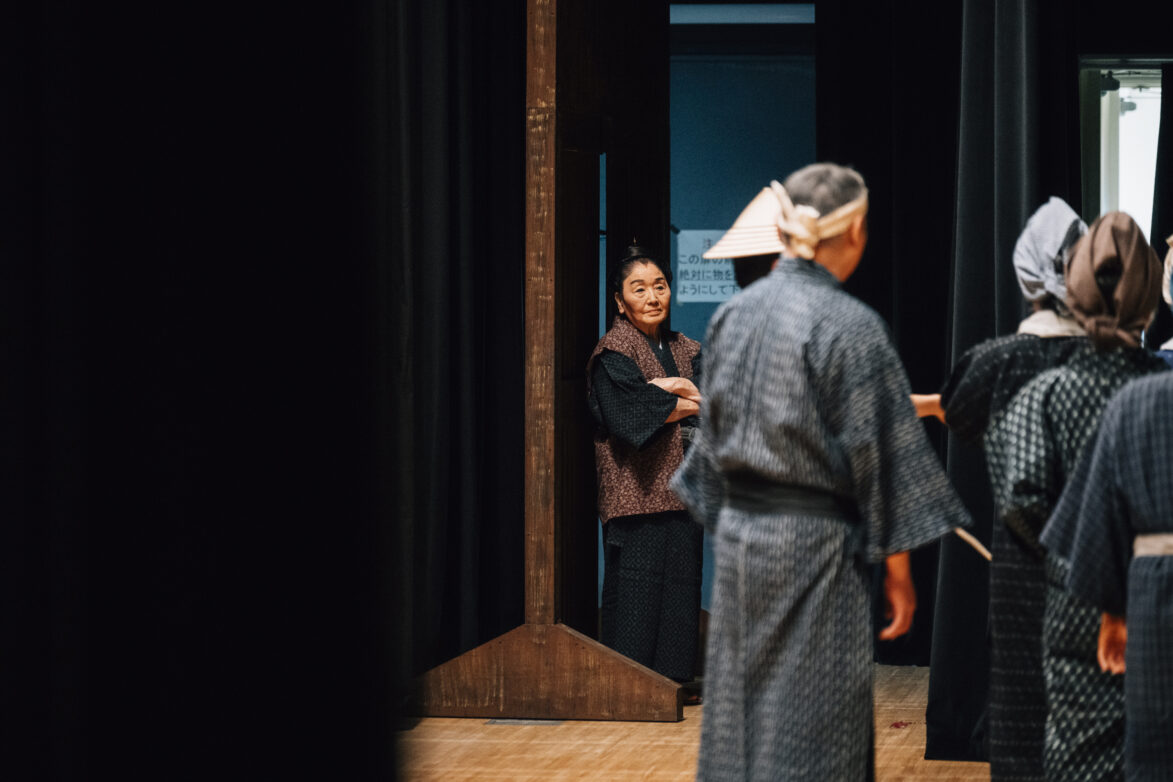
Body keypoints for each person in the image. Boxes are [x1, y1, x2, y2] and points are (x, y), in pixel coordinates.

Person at [670, 163, 972, 780]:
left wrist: (742, 520)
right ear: (855, 231)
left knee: (740, 711)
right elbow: (877, 449)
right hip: (814, 544)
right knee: (816, 715)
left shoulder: (732, 316)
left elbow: (713, 443)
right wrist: (898, 569)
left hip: (741, 539)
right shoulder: (850, 324)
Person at [984, 212, 1169, 781]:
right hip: (1158, 598)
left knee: (1079, 757)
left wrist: (1071, 556)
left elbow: (1020, 499)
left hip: (1072, 601)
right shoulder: (1158, 390)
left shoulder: (1046, 395)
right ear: (1149, 298)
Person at [913, 197, 1088, 782]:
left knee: (1021, 720)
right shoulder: (1119, 360)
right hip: (1101, 562)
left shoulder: (994, 362)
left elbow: (956, 409)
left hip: (1022, 568)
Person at [1040, 372, 1173, 781]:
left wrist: (1112, 615)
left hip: (1155, 591)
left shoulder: (1134, 401)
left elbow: (1100, 515)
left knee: (1157, 745)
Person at [586, 245, 704, 695]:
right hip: (636, 492)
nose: (653, 297)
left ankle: (673, 682)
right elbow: (629, 414)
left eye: (660, 286)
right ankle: (630, 686)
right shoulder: (613, 352)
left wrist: (673, 388)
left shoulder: (686, 348)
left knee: (681, 587)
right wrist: (685, 398)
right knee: (636, 590)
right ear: (620, 301)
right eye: (639, 289)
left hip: (684, 489)